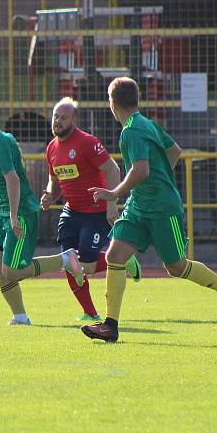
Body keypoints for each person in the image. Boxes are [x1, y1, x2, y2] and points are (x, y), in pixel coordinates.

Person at [82, 77, 217, 343]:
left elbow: (141, 169)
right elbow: (175, 151)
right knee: (115, 255)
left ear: (112, 103)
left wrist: (114, 193)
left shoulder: (131, 130)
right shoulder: (147, 123)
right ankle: (110, 325)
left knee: (176, 267)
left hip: (162, 208)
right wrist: (158, 178)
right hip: (140, 205)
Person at [0, 97, 84, 326]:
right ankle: (20, 317)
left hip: (19, 211)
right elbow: (8, 173)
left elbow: (13, 180)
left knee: (12, 271)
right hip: (7, 210)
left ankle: (64, 260)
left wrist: (12, 216)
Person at [40, 97, 142, 323]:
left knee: (85, 264)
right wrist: (49, 195)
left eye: (63, 117)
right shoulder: (51, 148)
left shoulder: (87, 142)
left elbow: (113, 169)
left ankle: (124, 260)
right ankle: (90, 312)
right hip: (71, 212)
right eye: (55, 116)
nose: (57, 121)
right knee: (69, 261)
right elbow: (54, 182)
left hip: (94, 212)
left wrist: (111, 203)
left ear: (74, 120)